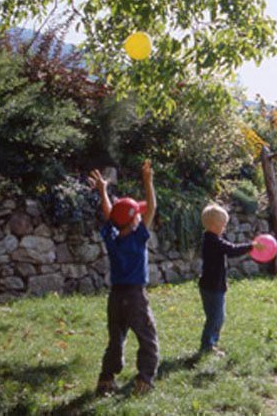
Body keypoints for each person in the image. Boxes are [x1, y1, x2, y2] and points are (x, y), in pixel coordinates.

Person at [88, 160, 159, 396]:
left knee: (116, 339)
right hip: (135, 297)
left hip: (115, 297)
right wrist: (148, 182)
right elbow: (151, 208)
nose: (141, 216)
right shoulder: (137, 239)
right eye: (137, 215)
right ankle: (144, 380)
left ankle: (106, 380)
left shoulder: (113, 237)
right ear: (134, 221)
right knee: (148, 338)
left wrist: (103, 191)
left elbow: (111, 216)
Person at [198, 203, 261, 356]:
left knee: (218, 317)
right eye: (223, 224)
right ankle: (207, 346)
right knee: (215, 318)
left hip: (214, 286)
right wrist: (251, 246)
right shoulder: (212, 241)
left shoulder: (211, 239)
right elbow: (231, 250)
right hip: (212, 287)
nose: (224, 228)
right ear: (214, 225)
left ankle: (211, 343)